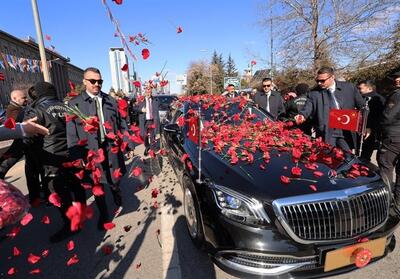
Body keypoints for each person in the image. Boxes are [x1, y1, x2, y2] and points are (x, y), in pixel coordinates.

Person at [67, 67, 132, 230]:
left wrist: (127, 143)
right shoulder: (74, 104)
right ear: (84, 81)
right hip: (90, 151)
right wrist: (76, 156)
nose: (97, 84)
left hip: (111, 149)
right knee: (97, 184)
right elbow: (71, 133)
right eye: (93, 81)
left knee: (114, 179)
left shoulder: (111, 101)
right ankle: (104, 216)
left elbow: (122, 123)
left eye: (100, 81)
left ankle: (116, 190)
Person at [23, 81, 87, 242]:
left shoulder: (36, 110)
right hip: (72, 152)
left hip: (52, 158)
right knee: (76, 185)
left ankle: (72, 224)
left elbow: (28, 137)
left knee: (59, 192)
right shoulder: (67, 106)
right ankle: (81, 215)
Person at [295, 67, 364, 151]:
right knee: (328, 156)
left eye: (322, 81)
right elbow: (308, 107)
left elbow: (362, 106)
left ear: (332, 77)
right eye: (318, 81)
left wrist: (365, 126)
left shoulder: (349, 88)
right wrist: (302, 115)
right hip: (326, 131)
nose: (320, 83)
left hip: (346, 129)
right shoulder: (314, 93)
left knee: (347, 156)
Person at [378, 71, 400, 205]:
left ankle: (384, 202)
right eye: (396, 77)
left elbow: (387, 117)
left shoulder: (397, 95)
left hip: (393, 137)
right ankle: (398, 202)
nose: (397, 80)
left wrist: (377, 128)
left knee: (386, 168)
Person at [357, 80, 385, 161]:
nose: (359, 90)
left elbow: (377, 116)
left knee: (364, 155)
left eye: (360, 88)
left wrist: (369, 127)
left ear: (369, 88)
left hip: (369, 132)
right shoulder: (362, 98)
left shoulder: (376, 99)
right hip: (362, 129)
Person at [134, 86, 160, 156]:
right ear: (145, 93)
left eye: (150, 92)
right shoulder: (141, 100)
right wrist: (141, 110)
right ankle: (147, 147)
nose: (148, 93)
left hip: (152, 121)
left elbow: (157, 112)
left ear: (151, 92)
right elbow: (134, 108)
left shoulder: (155, 100)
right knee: (144, 136)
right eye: (147, 92)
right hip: (144, 122)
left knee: (152, 136)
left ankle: (151, 150)